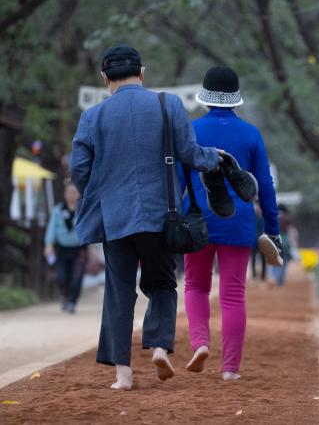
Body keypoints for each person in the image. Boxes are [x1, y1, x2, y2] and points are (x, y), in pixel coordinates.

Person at [69, 44, 222, 391]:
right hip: (160, 216)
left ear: (105, 78)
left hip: (115, 218)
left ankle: (122, 373)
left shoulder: (92, 117)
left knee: (119, 290)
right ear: (142, 73)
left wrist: (101, 191)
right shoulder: (168, 105)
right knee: (162, 283)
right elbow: (189, 153)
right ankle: (157, 348)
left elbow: (79, 169)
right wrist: (215, 157)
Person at [181, 66, 280, 380]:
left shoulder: (190, 129)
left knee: (196, 285)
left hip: (196, 219)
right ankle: (230, 370)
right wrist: (272, 231)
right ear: (235, 99)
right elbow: (264, 186)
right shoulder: (251, 134)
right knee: (233, 293)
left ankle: (200, 343)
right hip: (238, 223)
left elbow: (175, 179)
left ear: (205, 97)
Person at [44, 181, 86, 313]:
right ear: (65, 194)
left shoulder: (83, 209)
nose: (72, 195)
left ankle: (72, 301)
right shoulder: (58, 210)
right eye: (69, 192)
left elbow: (88, 228)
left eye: (74, 192)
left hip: (79, 249)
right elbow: (51, 229)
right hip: (61, 249)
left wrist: (91, 248)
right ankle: (65, 296)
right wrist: (49, 244)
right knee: (61, 275)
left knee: (77, 276)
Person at [267, 205, 299, 288]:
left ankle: (272, 277)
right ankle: (280, 282)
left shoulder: (272, 218)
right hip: (285, 243)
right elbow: (293, 233)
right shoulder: (288, 220)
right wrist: (293, 247)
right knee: (283, 264)